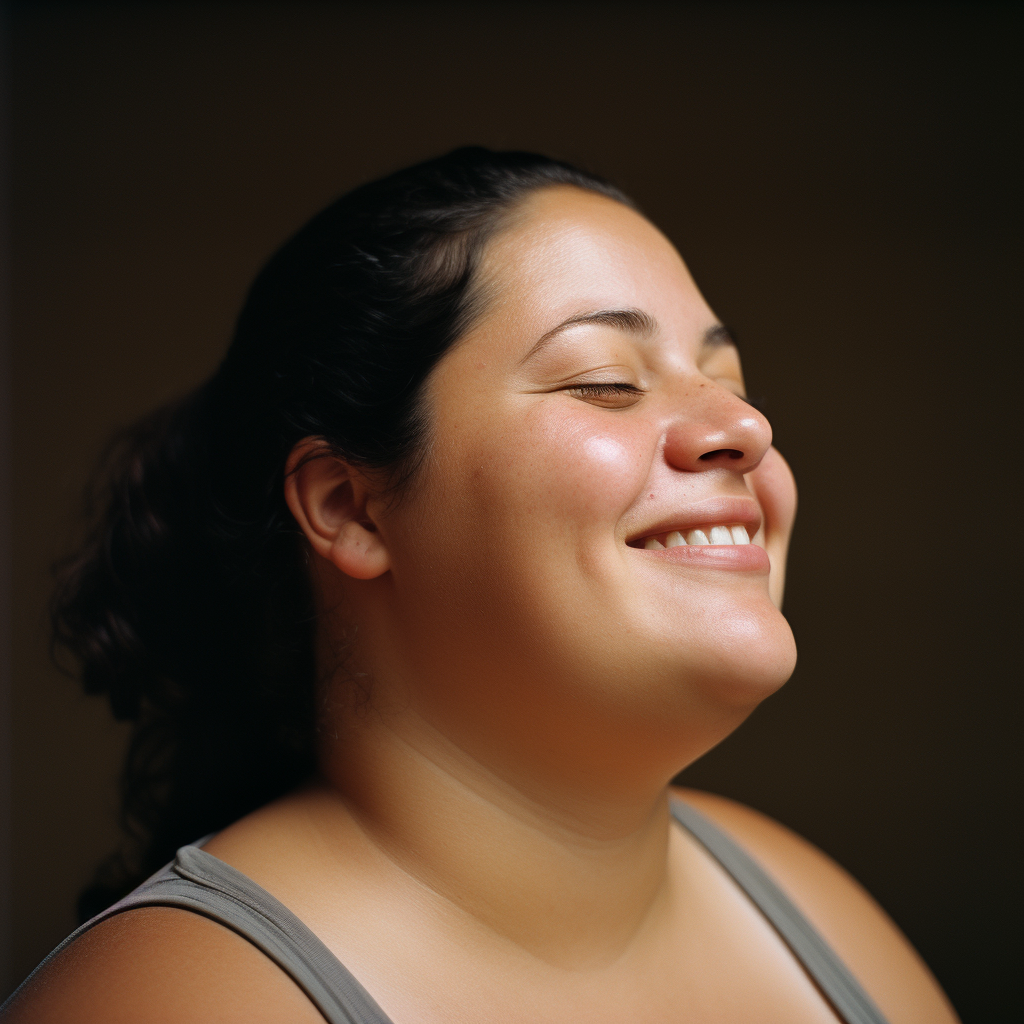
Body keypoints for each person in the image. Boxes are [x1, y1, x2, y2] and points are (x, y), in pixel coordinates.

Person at [2, 148, 958, 1024]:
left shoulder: (811, 912)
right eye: (603, 381)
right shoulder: (172, 1003)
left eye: (731, 378)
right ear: (351, 507)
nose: (744, 427)